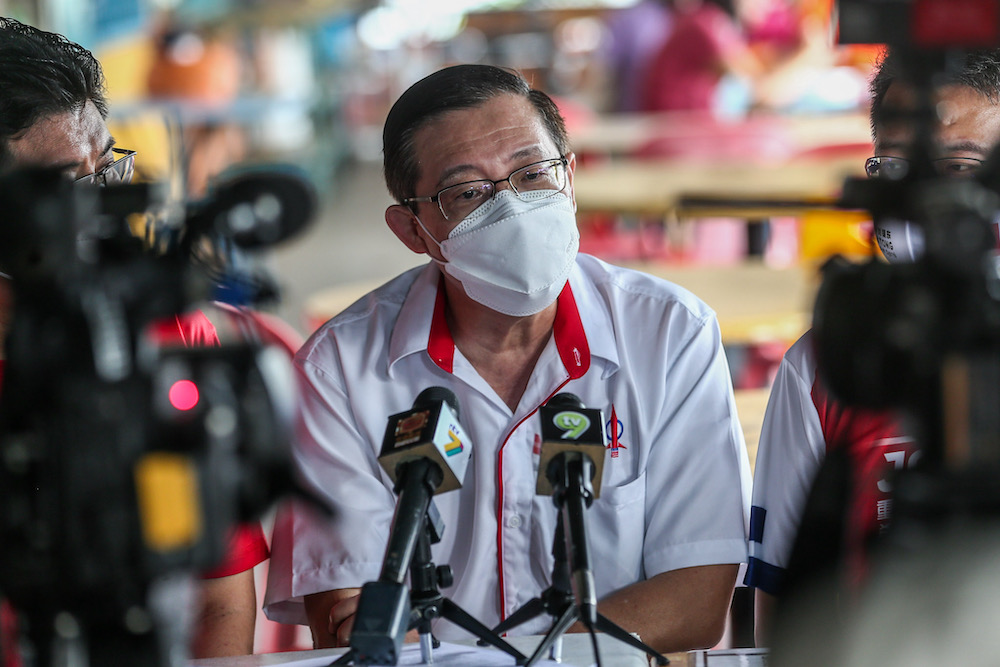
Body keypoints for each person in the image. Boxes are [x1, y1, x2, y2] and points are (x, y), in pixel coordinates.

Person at [263, 64, 752, 654]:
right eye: (467, 192)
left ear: (570, 177)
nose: (513, 208)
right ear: (413, 230)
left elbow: (696, 599)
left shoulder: (670, 336)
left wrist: (489, 658)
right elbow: (349, 619)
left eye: (533, 173)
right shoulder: (337, 372)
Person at [0, 17, 269, 659]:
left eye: (108, 168)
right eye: (69, 185)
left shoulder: (164, 333)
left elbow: (220, 597)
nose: (100, 209)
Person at [744, 46, 1000, 646]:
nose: (923, 202)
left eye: (960, 168)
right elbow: (778, 586)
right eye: (897, 169)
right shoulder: (829, 364)